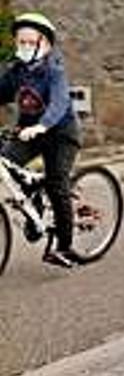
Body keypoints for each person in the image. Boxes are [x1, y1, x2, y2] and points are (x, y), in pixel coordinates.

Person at [0, 13, 81, 268]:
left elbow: (59, 103)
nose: (22, 47)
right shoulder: (17, 71)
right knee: (6, 162)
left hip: (60, 134)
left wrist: (41, 126)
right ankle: (32, 199)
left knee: (58, 185)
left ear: (43, 44)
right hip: (28, 131)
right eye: (19, 42)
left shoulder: (54, 71)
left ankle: (65, 247)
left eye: (29, 42)